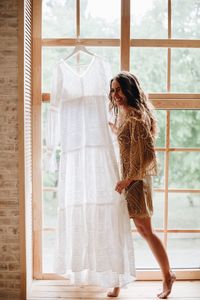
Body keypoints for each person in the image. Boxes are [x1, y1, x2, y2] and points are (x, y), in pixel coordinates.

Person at [107, 71, 176, 299]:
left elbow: (147, 157)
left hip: (135, 182)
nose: (115, 94)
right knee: (122, 230)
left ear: (130, 90)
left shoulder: (137, 116)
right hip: (126, 180)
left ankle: (168, 276)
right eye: (113, 90)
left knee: (146, 231)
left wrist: (128, 180)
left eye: (119, 89)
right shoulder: (124, 114)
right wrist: (111, 128)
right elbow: (127, 142)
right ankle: (117, 282)